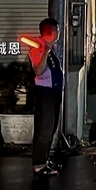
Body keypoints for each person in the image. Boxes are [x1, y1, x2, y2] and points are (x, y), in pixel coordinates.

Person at [30, 18, 64, 177]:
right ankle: (38, 164)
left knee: (51, 128)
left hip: (53, 93)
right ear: (51, 32)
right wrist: (45, 52)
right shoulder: (38, 47)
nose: (59, 32)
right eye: (57, 29)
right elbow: (38, 70)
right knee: (44, 130)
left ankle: (45, 159)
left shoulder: (50, 47)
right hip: (45, 94)